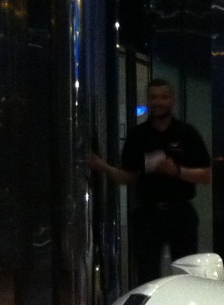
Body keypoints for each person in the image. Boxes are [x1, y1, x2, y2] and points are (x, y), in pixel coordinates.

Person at [87, 78, 212, 283]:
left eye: (163, 97)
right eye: (153, 97)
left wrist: (177, 171)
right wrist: (100, 165)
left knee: (186, 277)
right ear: (148, 100)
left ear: (172, 100)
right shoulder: (138, 136)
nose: (158, 102)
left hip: (180, 214)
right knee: (146, 276)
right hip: (147, 215)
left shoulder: (187, 134)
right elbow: (127, 176)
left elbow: (206, 175)